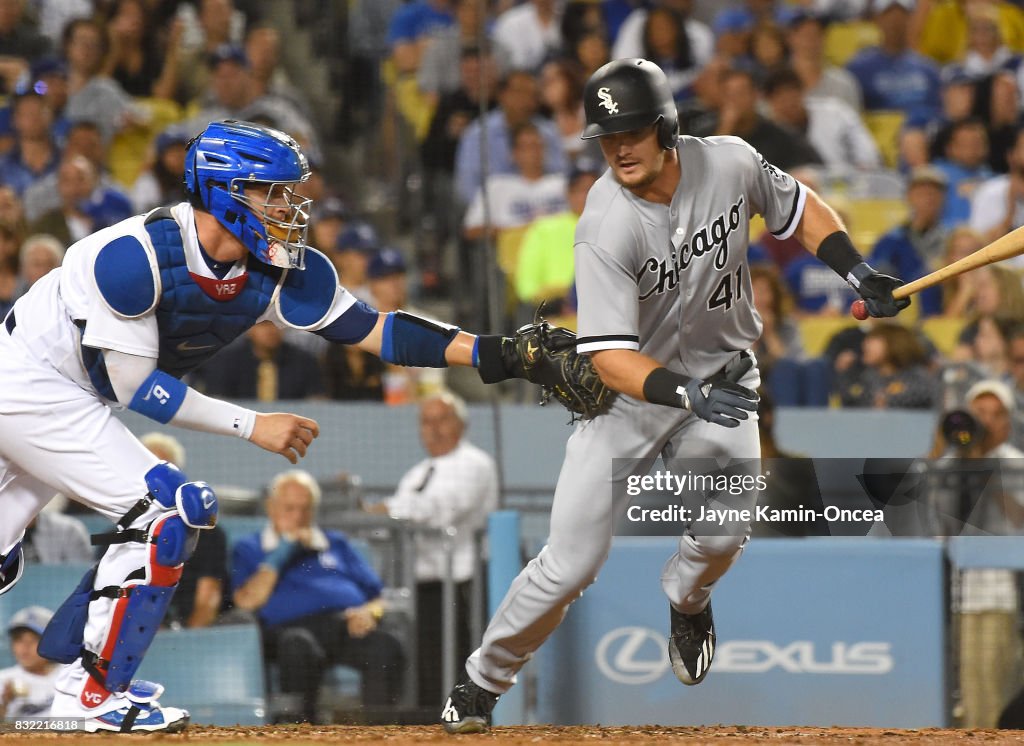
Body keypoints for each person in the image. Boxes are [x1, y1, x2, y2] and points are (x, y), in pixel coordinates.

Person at [0, 119, 571, 732]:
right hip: (31, 384)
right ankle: (90, 695)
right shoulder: (130, 258)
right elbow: (132, 387)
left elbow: (377, 330)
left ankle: (87, 683)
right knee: (168, 512)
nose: (289, 207)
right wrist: (254, 426)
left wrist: (494, 353)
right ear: (223, 191)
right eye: (271, 192)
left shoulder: (275, 265)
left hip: (68, 396)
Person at [440, 58, 911, 734]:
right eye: (605, 137)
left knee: (728, 527)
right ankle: (483, 681)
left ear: (665, 126)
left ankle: (687, 601)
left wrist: (856, 269)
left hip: (724, 375)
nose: (618, 149)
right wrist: (680, 392)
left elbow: (801, 208)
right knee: (571, 560)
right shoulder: (604, 222)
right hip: (633, 393)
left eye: (630, 132)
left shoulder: (730, 162)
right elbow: (606, 357)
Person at [232, 469, 404, 723]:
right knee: (297, 645)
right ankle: (303, 734)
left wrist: (369, 612)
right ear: (271, 508)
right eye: (289, 509)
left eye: (305, 509)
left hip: (344, 626)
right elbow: (246, 601)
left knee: (385, 646)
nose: (299, 517)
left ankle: (379, 735)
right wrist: (284, 550)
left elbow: (378, 596)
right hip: (287, 632)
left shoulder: (335, 543)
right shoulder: (250, 547)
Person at [365, 391, 498, 706]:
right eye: (427, 422)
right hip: (422, 581)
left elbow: (443, 509)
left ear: (461, 425)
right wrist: (378, 514)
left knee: (459, 660)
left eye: (442, 420)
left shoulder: (474, 462)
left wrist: (386, 508)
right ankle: (429, 727)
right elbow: (389, 524)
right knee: (427, 663)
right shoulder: (417, 472)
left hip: (463, 580)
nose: (434, 428)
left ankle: (467, 723)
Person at [139, 432, 231, 629]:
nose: (154, 484)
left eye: (163, 475)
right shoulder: (117, 535)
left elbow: (208, 601)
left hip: (194, 636)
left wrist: (184, 651)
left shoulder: (208, 533)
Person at [0, 607, 60, 718]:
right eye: (19, 639)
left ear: (52, 642)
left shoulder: (71, 674)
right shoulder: (4, 680)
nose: (25, 647)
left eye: (34, 639)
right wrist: (4, 703)